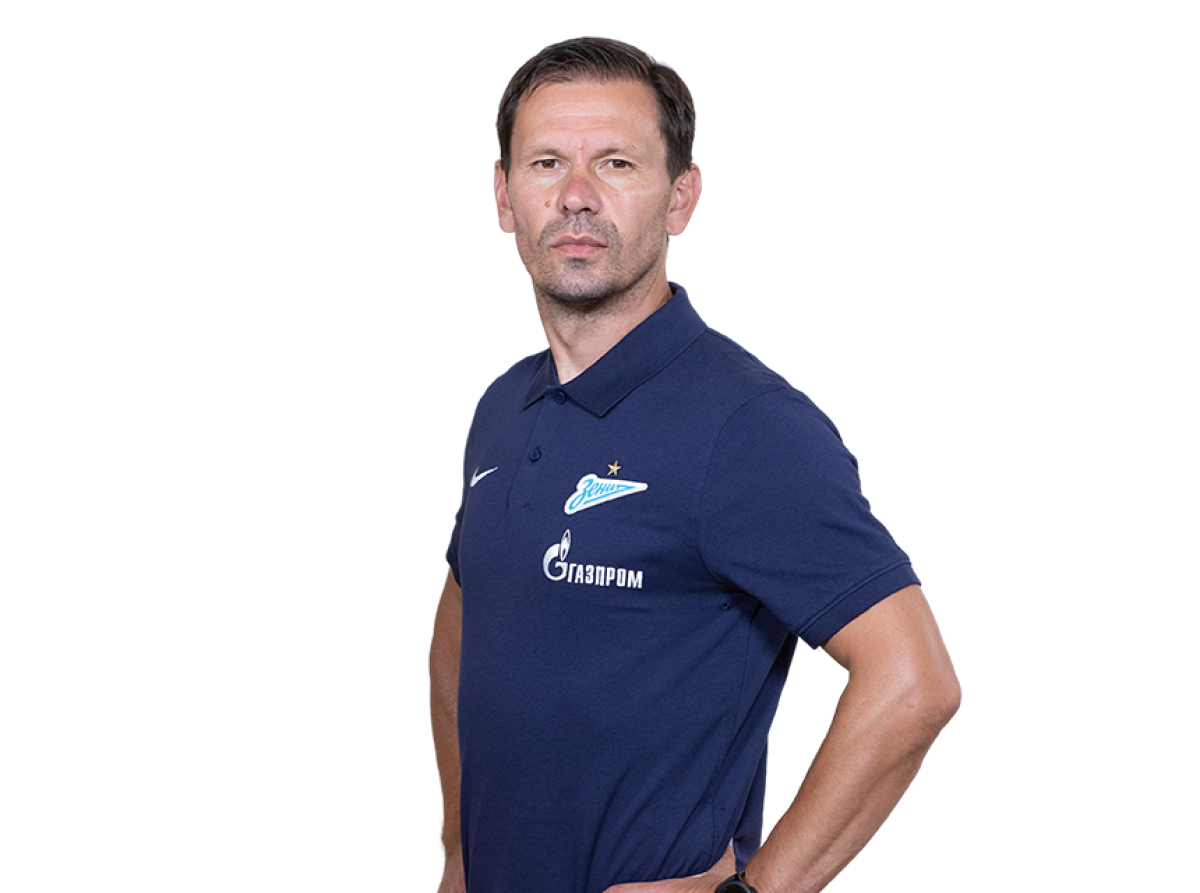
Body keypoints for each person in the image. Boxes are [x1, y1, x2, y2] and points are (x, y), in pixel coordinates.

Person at [430, 36, 962, 893]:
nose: (575, 195)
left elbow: (915, 680)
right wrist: (457, 848)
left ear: (681, 197)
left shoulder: (749, 425)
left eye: (616, 163)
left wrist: (757, 892)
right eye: (546, 163)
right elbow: (468, 607)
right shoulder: (500, 404)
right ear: (503, 196)